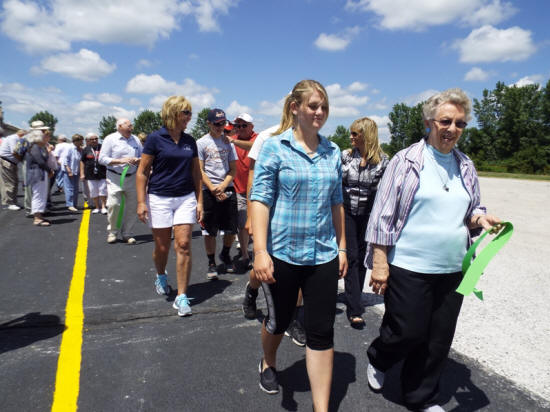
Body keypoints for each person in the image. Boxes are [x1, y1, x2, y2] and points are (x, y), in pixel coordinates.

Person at [364, 88, 502, 412]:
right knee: (407, 330)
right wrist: (380, 263)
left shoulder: (465, 164)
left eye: (460, 123)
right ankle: (380, 357)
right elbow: (383, 214)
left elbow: (471, 208)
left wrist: (481, 219)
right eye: (445, 121)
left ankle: (420, 397)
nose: (452, 129)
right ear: (429, 122)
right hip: (409, 265)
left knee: (438, 338)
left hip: (453, 268)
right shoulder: (406, 161)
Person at [250, 79, 347, 411]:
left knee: (321, 331)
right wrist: (260, 252)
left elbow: (337, 202)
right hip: (283, 253)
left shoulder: (333, 151)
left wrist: (343, 248)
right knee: (279, 321)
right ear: (295, 108)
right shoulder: (275, 147)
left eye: (324, 107)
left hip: (323, 255)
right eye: (313, 106)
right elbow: (260, 200)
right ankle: (268, 360)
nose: (319, 112)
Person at [136, 96, 202, 316]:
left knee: (183, 244)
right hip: (159, 198)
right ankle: (161, 275)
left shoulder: (190, 141)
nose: (189, 117)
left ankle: (181, 296)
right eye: (186, 113)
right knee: (162, 247)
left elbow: (196, 173)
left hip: (185, 197)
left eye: (190, 113)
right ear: (173, 113)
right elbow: (142, 172)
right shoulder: (155, 139)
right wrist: (141, 202)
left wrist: (200, 201)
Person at [341, 117, 389, 328]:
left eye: (355, 134)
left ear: (366, 135)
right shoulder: (344, 156)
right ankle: (354, 309)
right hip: (346, 211)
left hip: (368, 213)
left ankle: (354, 295)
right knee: (351, 256)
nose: (351, 137)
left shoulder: (383, 161)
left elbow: (387, 192)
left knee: (361, 258)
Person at [196, 108, 238, 279]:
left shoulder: (228, 142)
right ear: (209, 123)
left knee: (231, 228)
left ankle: (225, 254)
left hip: (227, 187)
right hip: (209, 189)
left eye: (223, 123)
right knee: (210, 230)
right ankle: (211, 262)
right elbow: (199, 170)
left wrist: (223, 185)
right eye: (217, 124)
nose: (220, 127)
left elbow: (233, 169)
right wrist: (213, 188)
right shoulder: (201, 143)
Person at [99, 118, 142, 244]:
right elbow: (102, 159)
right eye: (128, 126)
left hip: (132, 177)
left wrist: (138, 160)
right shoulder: (110, 139)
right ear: (119, 126)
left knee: (132, 206)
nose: (131, 128)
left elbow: (143, 155)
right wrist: (120, 161)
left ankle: (127, 233)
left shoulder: (136, 140)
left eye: (131, 126)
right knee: (114, 204)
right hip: (115, 177)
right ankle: (112, 232)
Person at [227, 113, 257, 269]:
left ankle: (259, 254)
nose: (240, 128)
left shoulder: (258, 139)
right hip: (239, 189)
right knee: (242, 225)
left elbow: (254, 146)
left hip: (257, 190)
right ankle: (245, 255)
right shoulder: (232, 141)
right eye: (237, 125)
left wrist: (233, 141)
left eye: (244, 125)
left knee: (257, 225)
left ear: (252, 126)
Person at [25, 129, 54, 226]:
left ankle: (39, 216)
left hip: (40, 173)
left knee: (41, 194)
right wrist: (49, 170)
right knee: (38, 195)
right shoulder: (35, 147)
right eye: (43, 136)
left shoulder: (39, 147)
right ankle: (37, 218)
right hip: (37, 173)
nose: (45, 138)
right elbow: (40, 161)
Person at [80, 133, 107, 214]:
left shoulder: (103, 147)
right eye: (92, 139)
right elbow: (82, 161)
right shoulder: (86, 149)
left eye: (96, 139)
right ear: (88, 140)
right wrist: (82, 173)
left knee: (103, 190)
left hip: (102, 172)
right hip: (90, 174)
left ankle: (103, 207)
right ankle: (97, 207)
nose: (94, 140)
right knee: (93, 191)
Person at [0, 129, 26, 210]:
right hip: (7, 162)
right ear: (22, 135)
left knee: (14, 182)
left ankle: (14, 201)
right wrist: (22, 160)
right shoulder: (14, 139)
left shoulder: (15, 138)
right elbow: (15, 152)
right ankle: (10, 203)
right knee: (9, 183)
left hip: (10, 162)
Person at [62, 134, 83, 212]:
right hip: (69, 171)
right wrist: (69, 171)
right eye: (81, 141)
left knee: (75, 188)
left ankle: (74, 204)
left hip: (76, 171)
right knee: (69, 188)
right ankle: (70, 204)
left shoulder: (78, 149)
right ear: (76, 141)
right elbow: (65, 160)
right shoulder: (69, 148)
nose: (82, 142)